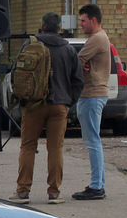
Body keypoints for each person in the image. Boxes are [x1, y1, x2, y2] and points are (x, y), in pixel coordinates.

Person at [9, 13, 84, 205]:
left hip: (33, 105)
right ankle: (54, 192)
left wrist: (23, 98)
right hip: (59, 105)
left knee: (27, 146)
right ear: (59, 28)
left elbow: (16, 74)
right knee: (55, 148)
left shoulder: (30, 45)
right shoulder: (68, 49)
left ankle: (23, 191)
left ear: (42, 27)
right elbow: (78, 80)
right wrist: (69, 102)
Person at [73, 3, 112, 201]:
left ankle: (97, 186)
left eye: (83, 20)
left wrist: (81, 65)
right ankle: (99, 183)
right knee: (93, 140)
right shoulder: (100, 38)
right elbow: (81, 62)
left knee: (92, 141)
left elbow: (75, 60)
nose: (81, 24)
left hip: (91, 93)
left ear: (93, 20)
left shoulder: (96, 39)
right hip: (95, 93)